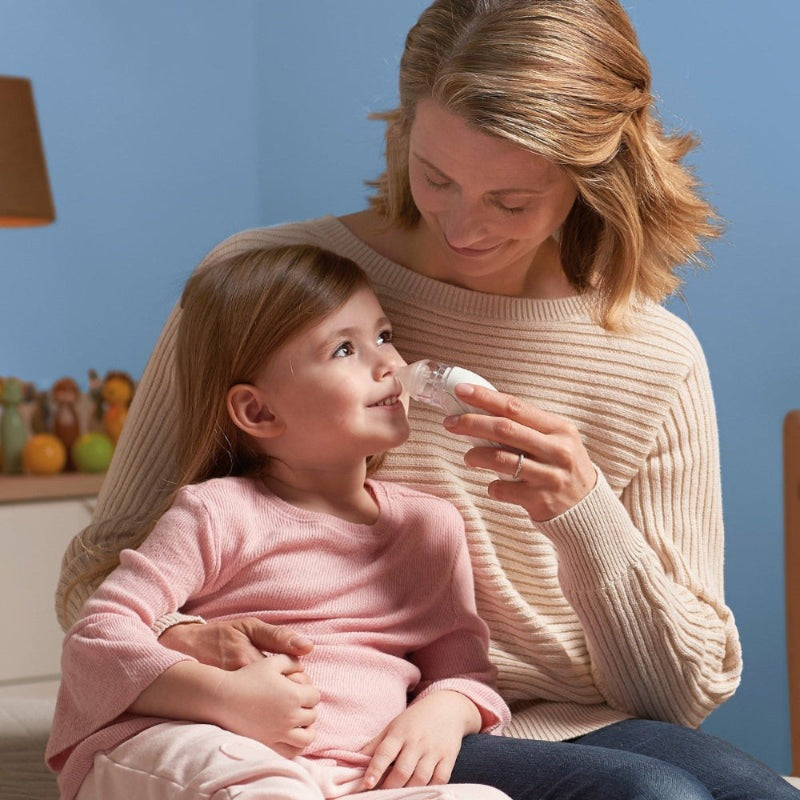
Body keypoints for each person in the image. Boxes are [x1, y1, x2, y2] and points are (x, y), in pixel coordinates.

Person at [56, 0, 800, 797]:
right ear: (405, 128)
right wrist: (197, 651)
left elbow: (680, 697)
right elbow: (100, 576)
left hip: (544, 719)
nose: (462, 225)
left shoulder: (656, 357)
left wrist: (586, 515)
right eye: (436, 176)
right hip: (359, 726)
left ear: (597, 175)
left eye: (510, 202)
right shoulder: (278, 288)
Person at [46, 245, 512, 800]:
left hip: (343, 780)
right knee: (257, 782)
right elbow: (96, 639)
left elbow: (466, 672)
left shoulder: (429, 525)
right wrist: (222, 697)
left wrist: (445, 711)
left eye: (383, 337)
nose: (390, 363)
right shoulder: (218, 511)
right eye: (345, 348)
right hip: (194, 746)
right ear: (259, 412)